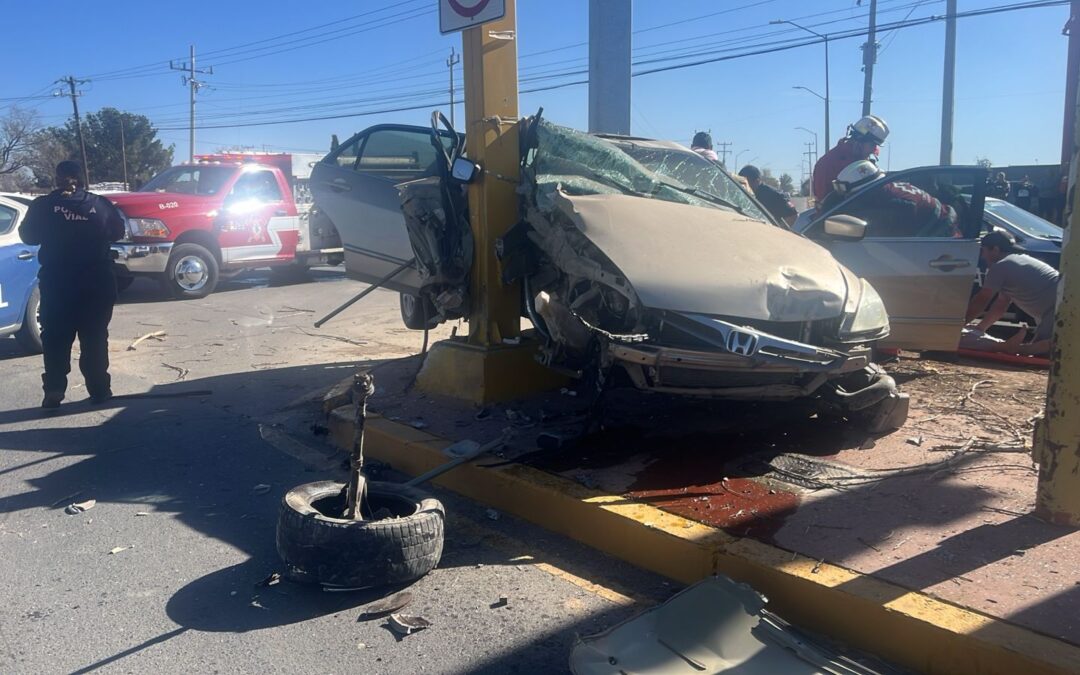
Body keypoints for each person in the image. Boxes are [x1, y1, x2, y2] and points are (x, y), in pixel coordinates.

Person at [18, 160, 125, 408]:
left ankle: (54, 389)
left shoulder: (42, 206)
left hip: (58, 283)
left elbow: (29, 237)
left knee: (55, 336)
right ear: (81, 178)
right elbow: (118, 232)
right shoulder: (100, 205)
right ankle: (99, 390)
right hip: (97, 281)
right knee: (95, 336)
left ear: (57, 178)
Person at [964, 230, 1059, 356]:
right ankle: (1014, 347)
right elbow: (1001, 305)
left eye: (984, 250)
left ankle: (1018, 348)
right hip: (1059, 306)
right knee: (1042, 350)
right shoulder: (1019, 261)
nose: (982, 256)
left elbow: (982, 299)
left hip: (1056, 311)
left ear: (995, 249)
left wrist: (959, 325)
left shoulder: (1000, 267)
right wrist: (980, 328)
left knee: (1046, 353)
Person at [829, 160, 960, 238]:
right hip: (944, 227)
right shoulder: (887, 188)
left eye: (851, 195)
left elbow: (885, 235)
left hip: (943, 237)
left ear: (865, 191)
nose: (849, 198)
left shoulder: (891, 204)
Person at [812, 115, 889, 203]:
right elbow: (824, 201)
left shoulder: (862, 161)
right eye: (873, 145)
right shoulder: (828, 164)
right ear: (860, 139)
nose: (873, 150)